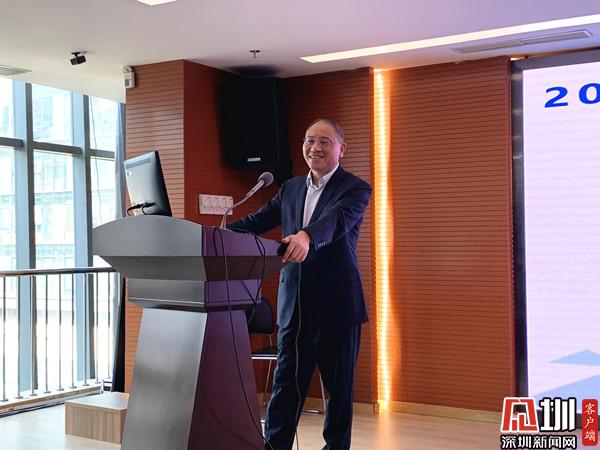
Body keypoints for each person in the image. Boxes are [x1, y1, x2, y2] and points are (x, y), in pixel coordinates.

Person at [229, 118, 372, 450]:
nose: (315, 147)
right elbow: (258, 220)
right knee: (285, 385)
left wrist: (306, 236)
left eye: (324, 141)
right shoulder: (291, 187)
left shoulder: (355, 189)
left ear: (341, 149)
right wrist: (214, 233)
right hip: (294, 305)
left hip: (337, 305)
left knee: (339, 390)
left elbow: (335, 222)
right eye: (309, 140)